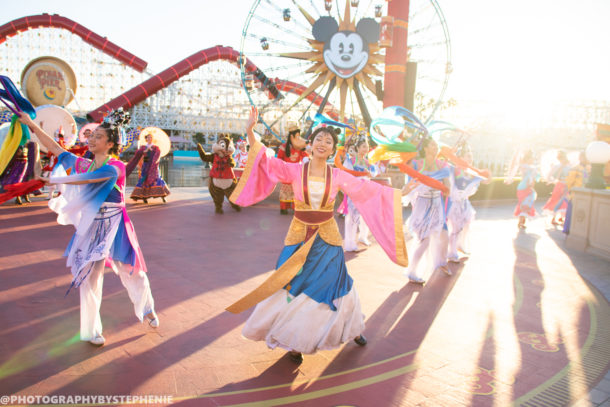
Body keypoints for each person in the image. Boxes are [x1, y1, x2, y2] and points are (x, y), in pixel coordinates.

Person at [227, 107, 408, 363]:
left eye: (328, 141)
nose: (323, 144)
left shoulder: (337, 175)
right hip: (299, 237)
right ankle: (294, 341)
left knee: (337, 284)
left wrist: (399, 194)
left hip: (328, 239)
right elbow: (266, 162)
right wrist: (249, 130)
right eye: (318, 140)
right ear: (309, 145)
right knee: (293, 285)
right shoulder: (293, 170)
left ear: (333, 149)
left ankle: (351, 327)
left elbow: (366, 190)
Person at [18, 110, 159, 347]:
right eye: (91, 135)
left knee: (132, 272)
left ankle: (147, 308)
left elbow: (92, 179)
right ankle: (91, 330)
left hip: (117, 224)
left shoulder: (116, 167)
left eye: (98, 136)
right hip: (93, 225)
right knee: (89, 277)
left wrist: (53, 180)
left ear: (111, 143)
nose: (91, 139)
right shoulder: (83, 163)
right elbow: (55, 148)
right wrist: (31, 123)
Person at [402, 137, 452, 284]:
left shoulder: (443, 165)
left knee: (443, 236)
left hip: (437, 204)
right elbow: (410, 183)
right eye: (432, 145)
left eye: (437, 145)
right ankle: (411, 271)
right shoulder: (417, 164)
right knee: (424, 239)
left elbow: (447, 187)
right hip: (422, 204)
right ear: (425, 148)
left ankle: (440, 263)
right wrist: (404, 191)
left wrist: (444, 188)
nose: (436, 148)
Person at [446, 148, 484, 262]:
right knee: (456, 228)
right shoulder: (454, 169)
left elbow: (471, 187)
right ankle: (452, 253)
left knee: (466, 224)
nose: (470, 158)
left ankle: (460, 245)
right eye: (467, 156)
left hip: (464, 203)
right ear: (460, 158)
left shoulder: (470, 172)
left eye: (471, 156)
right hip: (454, 203)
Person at [342, 134, 373, 251]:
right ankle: (350, 243)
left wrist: (369, 174)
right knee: (351, 217)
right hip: (354, 192)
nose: (365, 149)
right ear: (358, 148)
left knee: (365, 216)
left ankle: (363, 236)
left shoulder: (367, 162)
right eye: (363, 146)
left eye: (367, 147)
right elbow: (345, 175)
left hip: (365, 192)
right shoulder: (351, 161)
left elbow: (371, 175)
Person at [126, 132, 170, 203]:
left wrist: (152, 150)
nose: (149, 139)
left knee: (157, 178)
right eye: (148, 137)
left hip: (153, 166)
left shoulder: (155, 147)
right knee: (144, 180)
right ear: (146, 139)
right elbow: (138, 153)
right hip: (145, 165)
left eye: (151, 137)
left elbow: (158, 155)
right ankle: (143, 197)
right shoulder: (143, 147)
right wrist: (145, 151)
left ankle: (163, 196)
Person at [276, 124, 309, 214]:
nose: (298, 138)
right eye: (297, 136)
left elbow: (305, 156)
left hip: (296, 172)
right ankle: (284, 207)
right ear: (291, 136)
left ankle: (295, 207)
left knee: (296, 189)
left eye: (299, 136)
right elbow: (279, 159)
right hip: (286, 171)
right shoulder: (283, 146)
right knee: (286, 189)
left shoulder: (300, 146)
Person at [542, 150, 570, 226]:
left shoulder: (568, 166)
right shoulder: (558, 166)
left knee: (564, 201)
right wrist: (552, 181)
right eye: (562, 158)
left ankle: (562, 218)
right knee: (556, 201)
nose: (564, 159)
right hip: (560, 185)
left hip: (566, 186)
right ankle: (554, 218)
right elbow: (549, 175)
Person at [513, 150, 538, 229]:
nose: (533, 160)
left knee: (526, 204)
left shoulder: (529, 167)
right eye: (532, 159)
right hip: (523, 187)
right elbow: (528, 177)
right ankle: (521, 222)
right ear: (528, 159)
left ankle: (522, 222)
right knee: (524, 204)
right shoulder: (526, 167)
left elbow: (532, 179)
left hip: (527, 187)